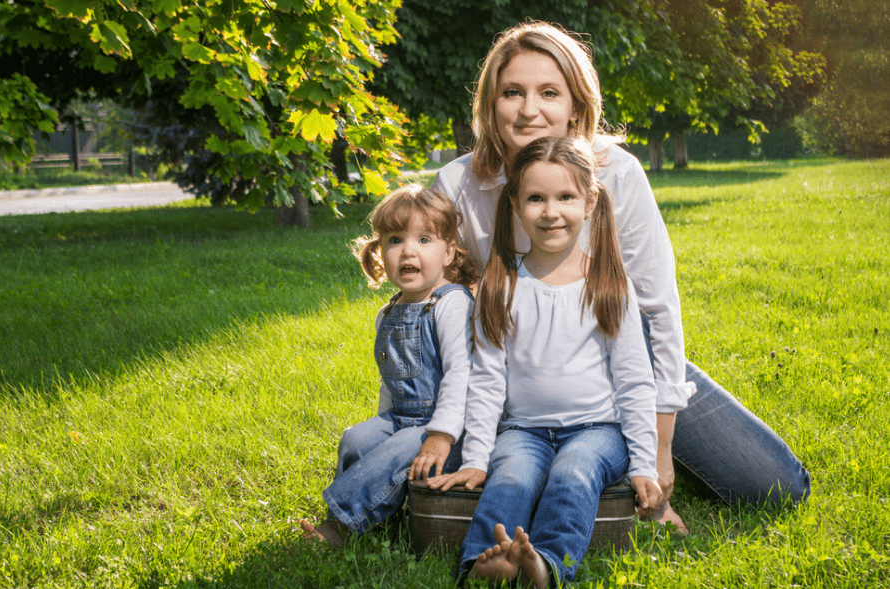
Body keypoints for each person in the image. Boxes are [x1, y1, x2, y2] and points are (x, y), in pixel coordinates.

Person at [430, 21, 810, 532]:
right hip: (519, 372)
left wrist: (659, 448)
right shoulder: (457, 184)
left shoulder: (618, 174)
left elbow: (657, 309)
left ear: (576, 106)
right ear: (490, 104)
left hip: (623, 354)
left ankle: (635, 455)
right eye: (511, 93)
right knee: (516, 473)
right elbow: (432, 306)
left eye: (549, 92)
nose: (528, 110)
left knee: (774, 487)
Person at [429, 136, 662, 587]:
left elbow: (634, 382)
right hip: (524, 431)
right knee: (511, 478)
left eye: (565, 197)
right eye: (536, 198)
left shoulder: (609, 285)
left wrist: (643, 466)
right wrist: (477, 458)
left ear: (590, 201)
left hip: (599, 431)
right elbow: (487, 380)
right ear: (515, 204)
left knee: (573, 474)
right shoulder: (501, 285)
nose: (550, 211)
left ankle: (548, 565)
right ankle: (483, 562)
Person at [300, 184, 478, 545]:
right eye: (395, 240)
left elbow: (462, 375)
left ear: (448, 253)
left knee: (403, 446)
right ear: (381, 251)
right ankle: (372, 514)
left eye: (424, 240)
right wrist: (384, 424)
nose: (408, 250)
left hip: (452, 429)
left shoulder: (451, 303)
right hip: (401, 418)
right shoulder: (388, 312)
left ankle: (342, 527)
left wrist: (441, 435)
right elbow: (391, 380)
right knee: (358, 438)